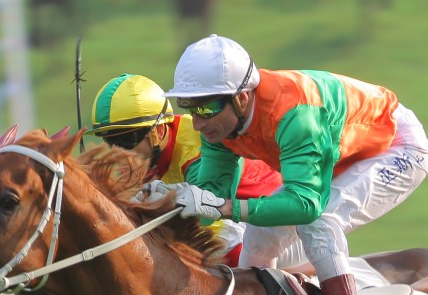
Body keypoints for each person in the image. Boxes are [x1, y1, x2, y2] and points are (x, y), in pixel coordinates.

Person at [157, 34, 428, 295]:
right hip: (337, 152)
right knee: (256, 237)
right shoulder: (217, 126)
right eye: (189, 108)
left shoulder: (295, 113)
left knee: (321, 220)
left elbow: (304, 205)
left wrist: (223, 208)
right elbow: (212, 199)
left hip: (395, 147)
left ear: (242, 97)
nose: (197, 121)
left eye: (205, 108)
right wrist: (170, 202)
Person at [88, 72, 282, 268]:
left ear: (159, 131)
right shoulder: (137, 160)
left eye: (126, 140)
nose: (119, 152)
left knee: (212, 236)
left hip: (276, 218)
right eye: (110, 141)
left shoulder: (194, 147)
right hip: (243, 221)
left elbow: (208, 221)